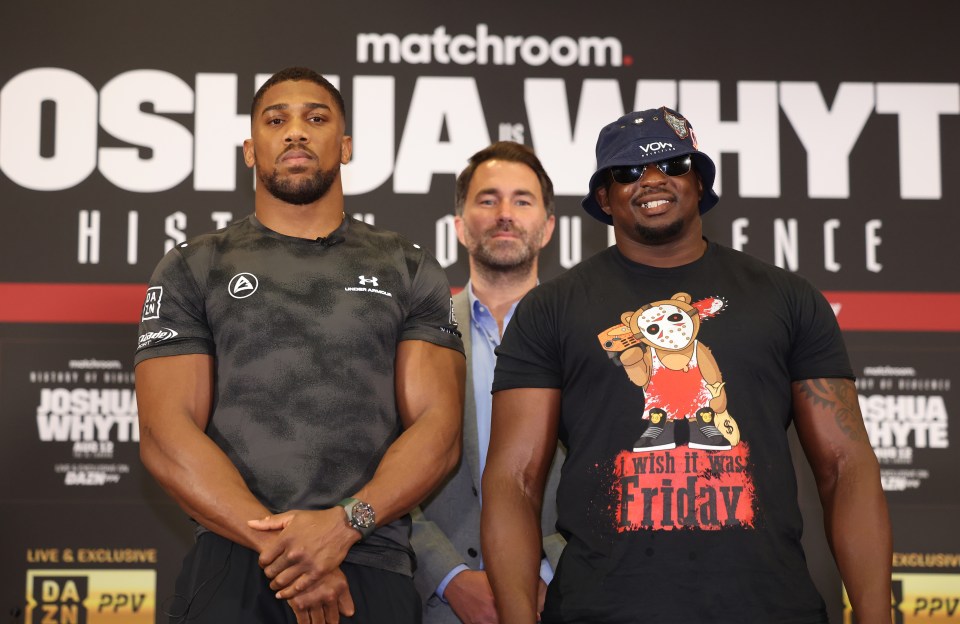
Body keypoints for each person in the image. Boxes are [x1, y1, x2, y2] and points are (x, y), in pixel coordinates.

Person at [480, 107, 892, 623]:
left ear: (699, 182)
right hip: (603, 609)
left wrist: (877, 617)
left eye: (671, 165)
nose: (651, 180)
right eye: (627, 172)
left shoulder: (787, 298)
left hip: (767, 609)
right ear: (604, 198)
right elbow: (513, 481)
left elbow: (845, 466)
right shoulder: (551, 310)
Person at [134, 66, 465, 624]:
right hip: (235, 558)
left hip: (369, 556)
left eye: (316, 118)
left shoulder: (407, 266)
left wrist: (343, 526)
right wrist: (288, 550)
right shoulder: (194, 266)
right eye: (276, 119)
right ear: (249, 149)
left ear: (346, 145)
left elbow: (438, 429)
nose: (295, 132)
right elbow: (167, 436)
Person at [410, 142, 565, 624]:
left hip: (560, 598)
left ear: (549, 226)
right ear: (459, 226)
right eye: (487, 199)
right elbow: (377, 465)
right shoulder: (414, 337)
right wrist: (447, 575)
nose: (504, 214)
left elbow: (612, 469)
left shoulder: (588, 338)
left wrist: (544, 573)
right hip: (438, 604)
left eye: (522, 200)